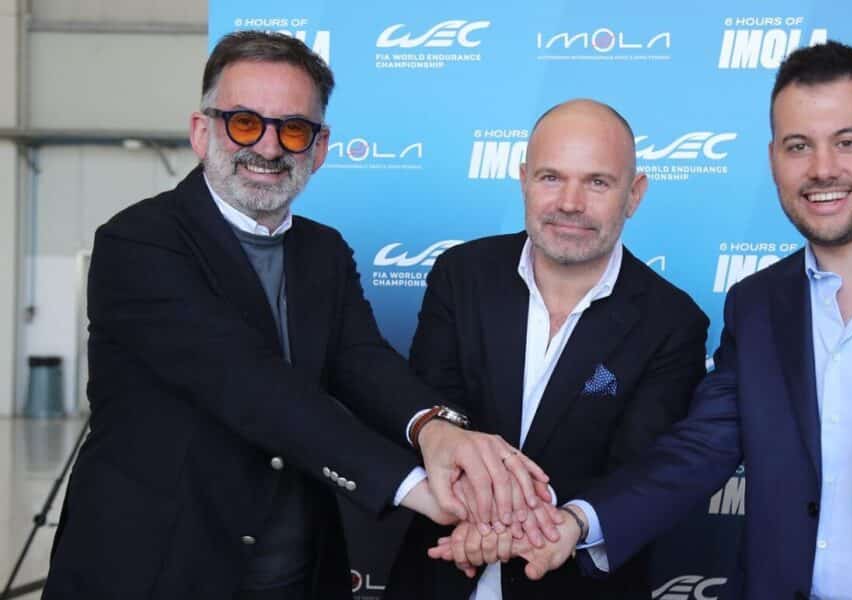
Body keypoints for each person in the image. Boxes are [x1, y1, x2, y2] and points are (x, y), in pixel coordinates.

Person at [432, 41, 852, 599]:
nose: (823, 168)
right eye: (798, 146)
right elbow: (698, 450)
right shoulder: (758, 304)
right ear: (773, 159)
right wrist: (575, 523)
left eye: (847, 142)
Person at [42, 31, 550, 600]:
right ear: (201, 131)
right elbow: (249, 384)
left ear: (319, 146)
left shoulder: (323, 251)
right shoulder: (138, 243)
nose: (267, 147)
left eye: (292, 129)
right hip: (156, 567)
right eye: (243, 123)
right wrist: (417, 486)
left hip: (295, 570)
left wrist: (436, 430)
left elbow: (363, 362)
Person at [387, 99, 708, 599]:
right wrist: (476, 505)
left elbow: (637, 467)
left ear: (634, 194)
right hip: (442, 572)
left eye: (597, 182)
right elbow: (433, 408)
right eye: (551, 177)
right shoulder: (461, 274)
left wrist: (527, 524)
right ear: (524, 179)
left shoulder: (673, 321)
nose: (570, 203)